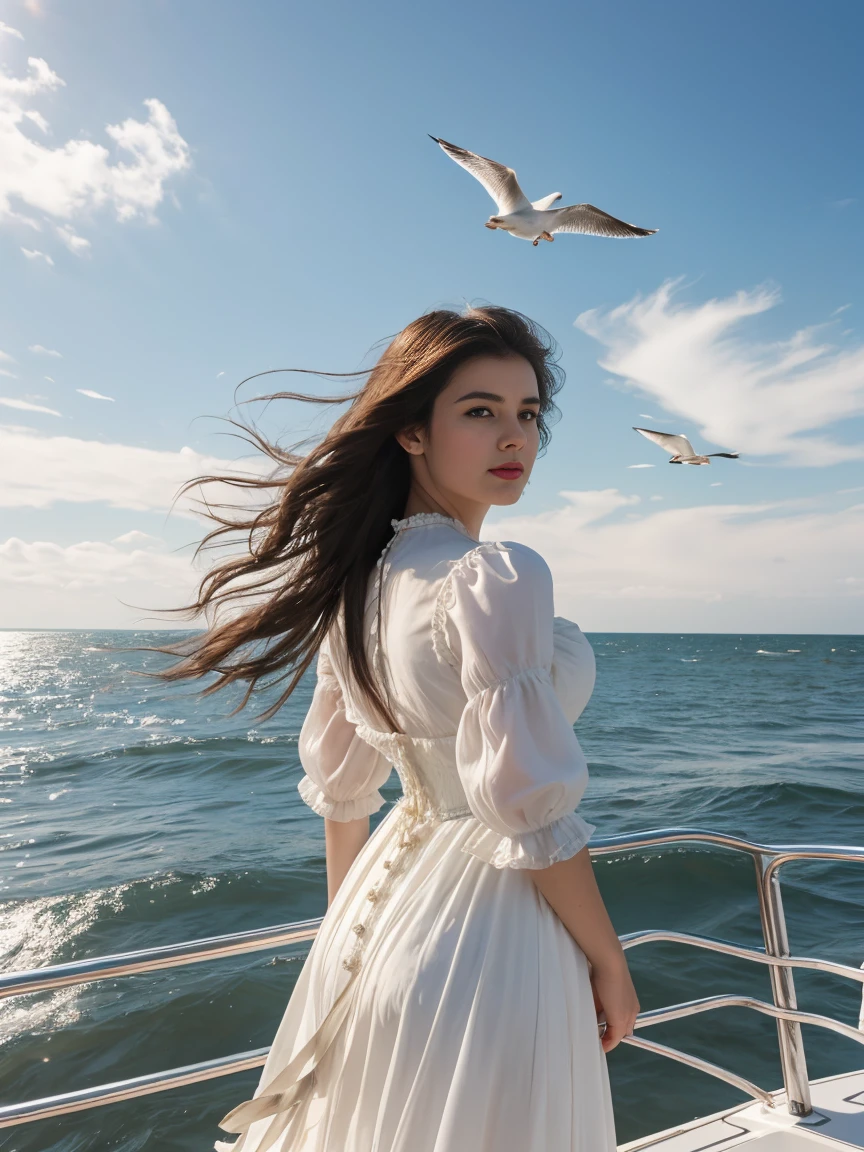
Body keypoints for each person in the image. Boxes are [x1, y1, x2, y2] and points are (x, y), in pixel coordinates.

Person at [162, 305, 639, 1151]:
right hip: (493, 933)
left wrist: (355, 931)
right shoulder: (495, 574)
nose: (513, 438)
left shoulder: (359, 588)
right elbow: (526, 807)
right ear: (412, 433)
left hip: (377, 924)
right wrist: (609, 958)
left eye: (529, 414)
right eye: (480, 410)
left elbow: (345, 796)